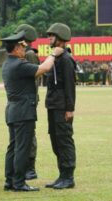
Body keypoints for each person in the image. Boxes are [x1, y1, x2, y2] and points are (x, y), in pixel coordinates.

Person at [1, 30, 64, 192]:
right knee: (22, 147)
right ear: (15, 49)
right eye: (22, 47)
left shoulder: (7, 63)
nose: (25, 50)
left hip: (13, 111)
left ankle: (10, 181)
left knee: (13, 147)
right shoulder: (19, 65)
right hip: (23, 112)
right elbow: (44, 68)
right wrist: (53, 54)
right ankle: (19, 183)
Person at [45, 23, 76, 189]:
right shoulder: (55, 57)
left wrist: (70, 109)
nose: (49, 38)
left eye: (52, 35)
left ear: (61, 38)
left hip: (63, 107)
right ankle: (62, 175)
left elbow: (70, 86)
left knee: (64, 140)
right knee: (55, 140)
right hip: (53, 105)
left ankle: (69, 177)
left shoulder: (66, 60)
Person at [14, 24, 40, 180]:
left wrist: (30, 99)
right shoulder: (22, 53)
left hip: (28, 99)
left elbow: (34, 80)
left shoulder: (29, 54)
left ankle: (30, 167)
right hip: (23, 99)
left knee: (29, 133)